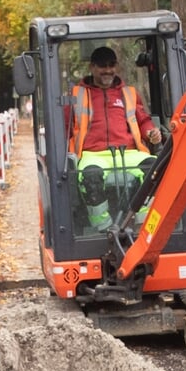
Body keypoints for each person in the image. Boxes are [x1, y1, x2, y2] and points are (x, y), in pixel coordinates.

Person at [66, 47, 164, 233]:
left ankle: (143, 227)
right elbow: (65, 126)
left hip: (128, 152)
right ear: (92, 67)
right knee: (91, 177)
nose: (108, 71)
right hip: (92, 154)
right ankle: (104, 228)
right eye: (103, 67)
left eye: (112, 66)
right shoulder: (77, 95)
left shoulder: (129, 93)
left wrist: (151, 132)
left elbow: (143, 120)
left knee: (154, 168)